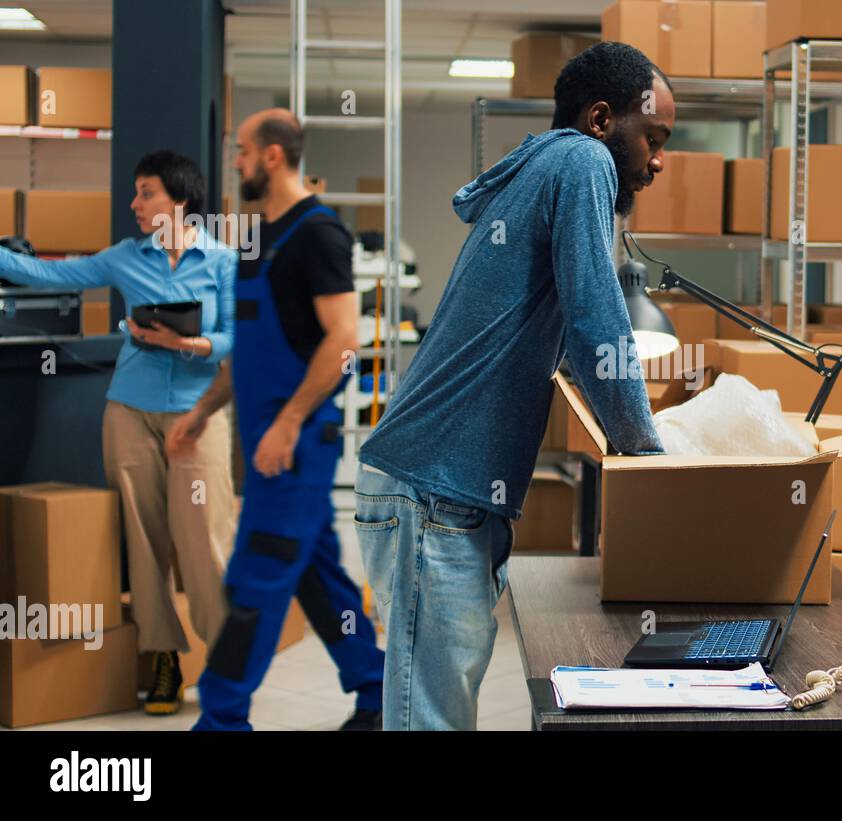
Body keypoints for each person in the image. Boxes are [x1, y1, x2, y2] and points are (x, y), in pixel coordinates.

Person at [354, 41, 675, 730]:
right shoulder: (582, 161)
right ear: (600, 119)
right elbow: (597, 325)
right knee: (429, 719)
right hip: (432, 486)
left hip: (443, 489)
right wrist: (651, 462)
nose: (656, 161)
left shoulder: (544, 167)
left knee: (439, 709)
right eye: (652, 137)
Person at [168, 108, 385, 732]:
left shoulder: (319, 235)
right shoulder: (256, 240)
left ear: (270, 156)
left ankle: (222, 720)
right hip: (266, 444)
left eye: (241, 151)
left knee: (254, 581)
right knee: (313, 571)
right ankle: (375, 689)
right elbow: (251, 349)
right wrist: (202, 411)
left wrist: (288, 424)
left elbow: (344, 340)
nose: (233, 162)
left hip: (294, 448)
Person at [0, 150, 235, 716]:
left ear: (178, 200)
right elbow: (49, 274)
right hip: (129, 412)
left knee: (204, 539)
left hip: (198, 414)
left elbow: (241, 340)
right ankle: (162, 659)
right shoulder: (126, 258)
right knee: (144, 536)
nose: (134, 204)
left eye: (146, 193)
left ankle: (229, 664)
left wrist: (188, 344)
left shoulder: (224, 260)